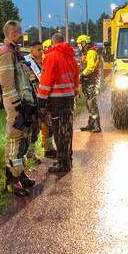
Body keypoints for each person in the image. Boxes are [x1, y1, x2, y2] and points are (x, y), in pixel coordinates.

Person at [0, 20, 38, 196]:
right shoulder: (6, 53)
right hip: (17, 105)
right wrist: (18, 105)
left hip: (24, 104)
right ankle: (13, 181)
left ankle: (19, 174)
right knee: (14, 140)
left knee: (22, 140)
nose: (22, 35)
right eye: (20, 32)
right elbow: (6, 83)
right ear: (13, 34)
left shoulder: (14, 52)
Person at [38, 32, 80, 173]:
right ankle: (68, 158)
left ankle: (63, 163)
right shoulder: (70, 56)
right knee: (67, 130)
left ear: (53, 42)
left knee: (58, 131)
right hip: (69, 99)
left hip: (56, 100)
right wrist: (75, 92)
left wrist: (41, 99)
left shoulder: (51, 56)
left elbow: (46, 79)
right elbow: (76, 77)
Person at [23, 40, 55, 162]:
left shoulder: (43, 61)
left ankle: (48, 148)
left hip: (45, 97)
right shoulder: (27, 62)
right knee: (34, 126)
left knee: (48, 122)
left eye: (42, 49)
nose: (42, 52)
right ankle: (30, 153)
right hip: (33, 97)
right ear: (31, 50)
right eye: (39, 49)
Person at [77, 35, 102, 133]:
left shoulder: (91, 52)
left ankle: (97, 125)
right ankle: (91, 124)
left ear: (84, 43)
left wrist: (81, 75)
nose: (78, 46)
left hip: (92, 81)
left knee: (92, 103)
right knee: (88, 103)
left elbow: (90, 67)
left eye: (79, 44)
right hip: (87, 81)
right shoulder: (86, 53)